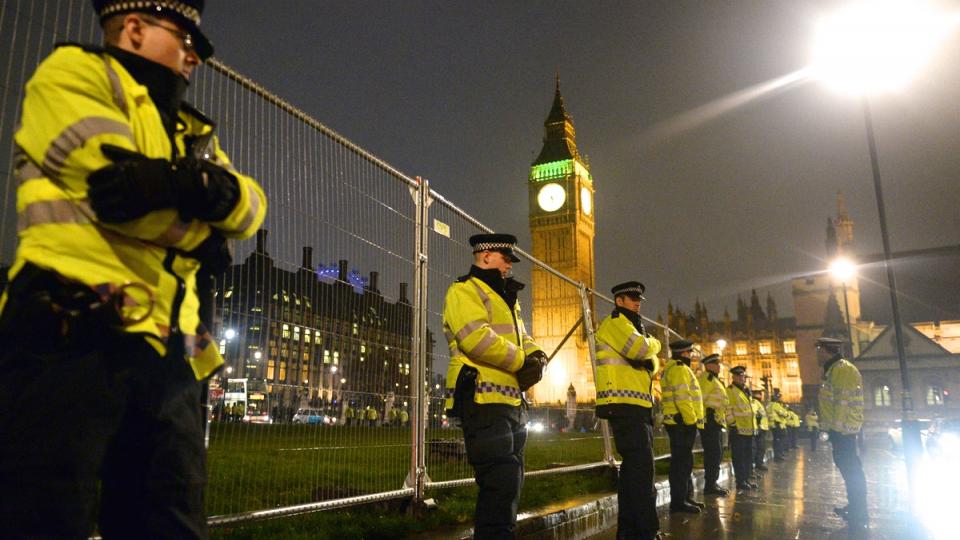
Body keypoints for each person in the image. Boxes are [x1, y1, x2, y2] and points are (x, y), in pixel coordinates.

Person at [0, 2, 267, 537]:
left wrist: (186, 184)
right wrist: (204, 227)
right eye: (183, 38)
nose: (193, 56)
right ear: (136, 28)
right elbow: (117, 194)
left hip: (167, 351)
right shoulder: (73, 76)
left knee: (170, 516)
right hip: (69, 331)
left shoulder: (190, 129)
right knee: (47, 512)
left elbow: (252, 208)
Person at [442, 233, 548, 539]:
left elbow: (522, 338)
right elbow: (476, 338)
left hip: (511, 402)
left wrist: (537, 356)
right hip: (482, 398)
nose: (509, 267)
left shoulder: (506, 298)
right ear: (485, 256)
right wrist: (521, 362)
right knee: (499, 481)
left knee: (511, 483)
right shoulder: (464, 290)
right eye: (505, 260)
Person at [594, 281, 663, 540]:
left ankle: (630, 531)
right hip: (623, 406)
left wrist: (647, 350)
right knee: (641, 472)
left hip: (638, 406)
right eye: (632, 298)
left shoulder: (634, 327)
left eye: (639, 299)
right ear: (619, 301)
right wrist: (653, 343)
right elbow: (641, 351)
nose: (637, 302)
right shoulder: (615, 323)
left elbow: (652, 365)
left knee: (635, 472)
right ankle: (645, 531)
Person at [818, 336, 867, 531]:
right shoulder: (833, 370)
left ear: (825, 350)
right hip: (841, 430)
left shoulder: (842, 369)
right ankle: (855, 507)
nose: (816, 354)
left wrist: (835, 429)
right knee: (849, 469)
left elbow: (843, 403)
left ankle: (859, 511)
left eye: (818, 349)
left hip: (843, 430)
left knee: (852, 470)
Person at [661, 339, 705, 514]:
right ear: (683, 353)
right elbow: (683, 398)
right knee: (681, 464)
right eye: (689, 353)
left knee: (685, 462)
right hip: (682, 423)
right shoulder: (679, 369)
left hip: (679, 422)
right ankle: (679, 502)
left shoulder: (675, 367)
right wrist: (691, 420)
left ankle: (685, 497)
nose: (691, 356)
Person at [697, 353, 729, 496]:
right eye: (716, 364)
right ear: (709, 365)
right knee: (713, 454)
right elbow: (700, 400)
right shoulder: (707, 379)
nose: (719, 366)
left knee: (717, 453)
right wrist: (705, 417)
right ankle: (710, 485)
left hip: (715, 422)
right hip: (709, 422)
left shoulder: (714, 380)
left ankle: (712, 483)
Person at [726, 366, 758, 491]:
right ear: (733, 377)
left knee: (747, 456)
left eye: (743, 376)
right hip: (738, 429)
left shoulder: (745, 390)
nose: (742, 378)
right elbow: (727, 408)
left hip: (749, 429)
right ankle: (740, 481)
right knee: (739, 456)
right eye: (739, 376)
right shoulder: (730, 390)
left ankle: (745, 479)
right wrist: (732, 423)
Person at [766, 389, 788, 462]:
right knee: (780, 441)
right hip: (778, 425)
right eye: (779, 397)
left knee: (776, 441)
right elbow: (783, 413)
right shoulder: (776, 405)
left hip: (773, 425)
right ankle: (778, 456)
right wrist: (785, 412)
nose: (780, 399)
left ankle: (778, 455)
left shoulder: (768, 405)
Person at [751, 389, 770, 472]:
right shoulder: (755, 402)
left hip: (762, 428)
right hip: (759, 428)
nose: (761, 396)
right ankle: (757, 464)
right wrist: (758, 424)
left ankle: (758, 463)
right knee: (759, 447)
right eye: (759, 394)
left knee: (761, 447)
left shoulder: (759, 403)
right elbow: (755, 413)